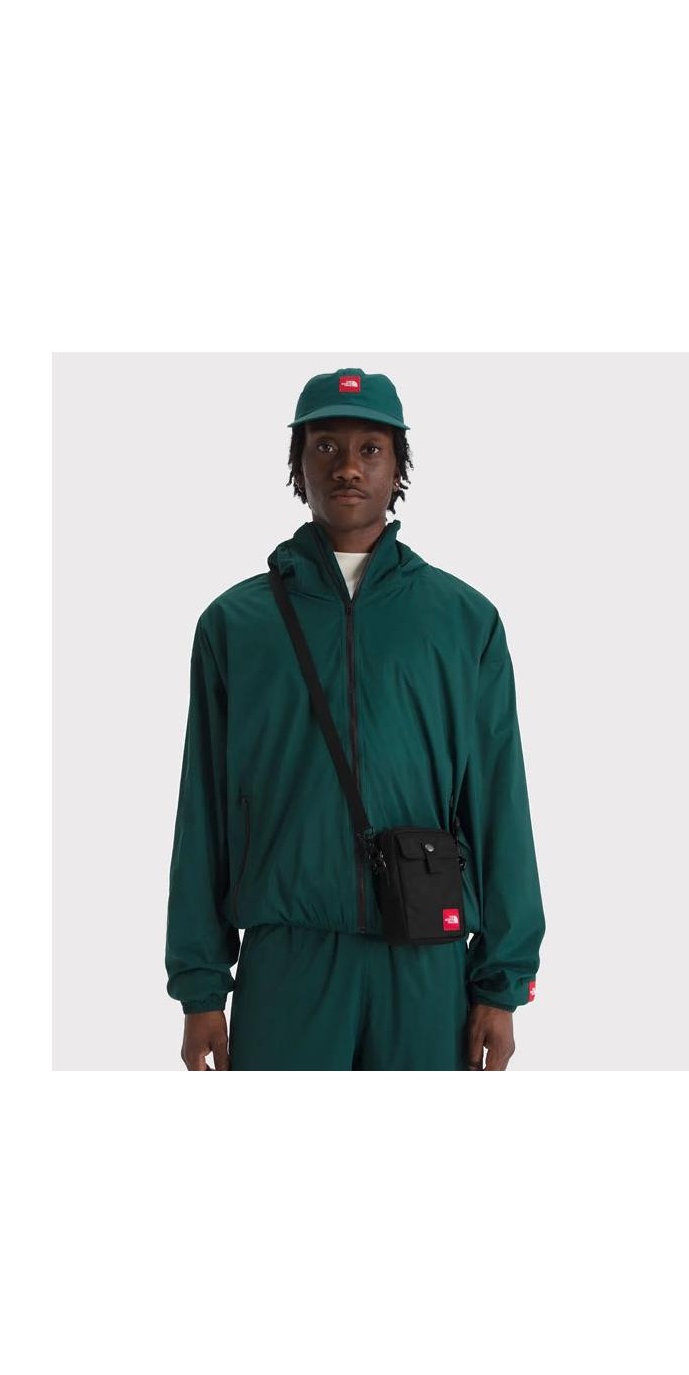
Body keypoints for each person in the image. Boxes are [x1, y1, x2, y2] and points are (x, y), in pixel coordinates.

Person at [164, 367, 545, 1070]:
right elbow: (203, 810)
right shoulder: (235, 625)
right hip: (288, 957)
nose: (347, 466)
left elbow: (499, 799)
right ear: (297, 464)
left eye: (370, 449)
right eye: (325, 446)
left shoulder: (464, 621)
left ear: (398, 466)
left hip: (425, 957)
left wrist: (504, 982)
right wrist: (199, 986)